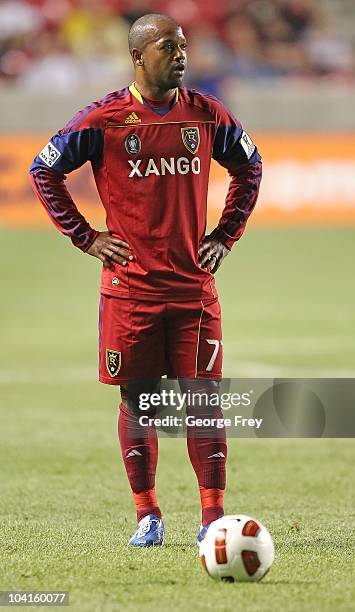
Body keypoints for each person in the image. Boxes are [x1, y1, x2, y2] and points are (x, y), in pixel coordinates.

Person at [29, 13, 262, 547]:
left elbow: (250, 168)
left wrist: (226, 234)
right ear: (138, 57)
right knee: (139, 402)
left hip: (192, 291)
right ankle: (148, 515)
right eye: (167, 46)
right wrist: (85, 237)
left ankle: (212, 518)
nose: (181, 54)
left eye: (183, 45)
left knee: (203, 403)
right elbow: (43, 170)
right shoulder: (104, 119)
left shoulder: (207, 114)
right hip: (130, 292)